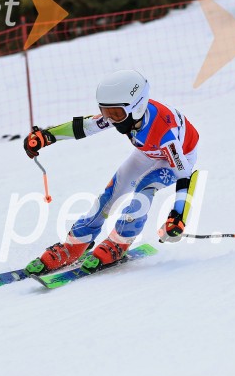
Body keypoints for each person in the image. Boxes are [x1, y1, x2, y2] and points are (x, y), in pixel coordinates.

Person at [22, 69, 200, 274]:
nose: (111, 120)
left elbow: (185, 175)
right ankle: (76, 242)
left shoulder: (165, 135)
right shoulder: (125, 113)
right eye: (106, 112)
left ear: (137, 107)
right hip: (148, 151)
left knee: (145, 188)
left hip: (176, 159)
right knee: (113, 191)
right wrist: (47, 136)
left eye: (116, 114)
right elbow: (86, 126)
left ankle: (120, 241)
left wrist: (178, 215)